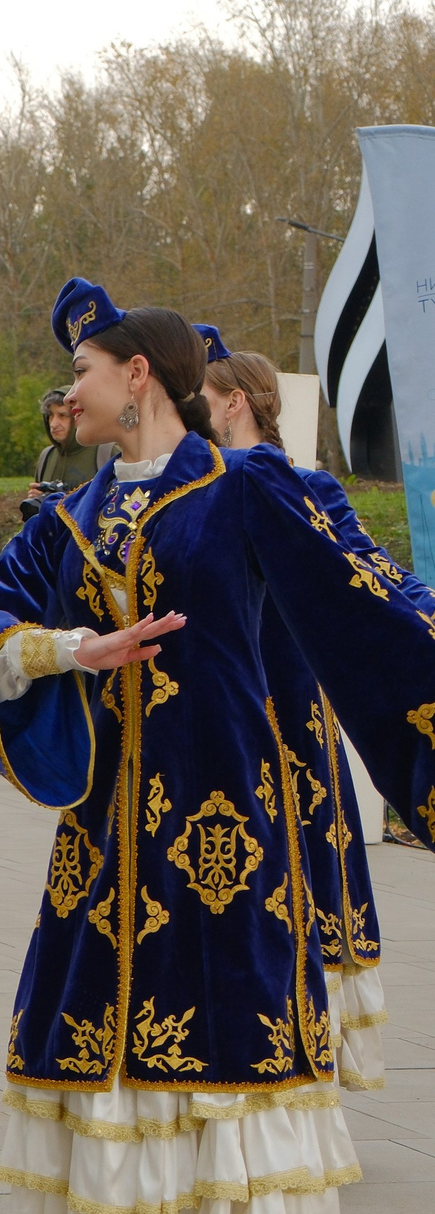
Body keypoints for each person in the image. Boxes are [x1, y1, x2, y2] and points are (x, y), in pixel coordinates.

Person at [0, 279, 435, 1214]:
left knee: (236, 1054)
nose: (68, 391)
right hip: (104, 839)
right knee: (104, 1058)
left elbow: (365, 599)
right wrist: (69, 651)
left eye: (81, 373)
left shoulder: (242, 488)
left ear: (136, 378)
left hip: (224, 821)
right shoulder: (70, 519)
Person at [202, 336, 387, 1094]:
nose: (203, 416)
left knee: (288, 865)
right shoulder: (305, 486)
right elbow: (372, 579)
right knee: (298, 863)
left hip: (268, 702)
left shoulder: (242, 485)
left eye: (209, 402)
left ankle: (285, 1039)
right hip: (282, 702)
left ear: (235, 402)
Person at [28, 386, 106, 496]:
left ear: (79, 415)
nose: (53, 424)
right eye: (50, 415)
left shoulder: (105, 453)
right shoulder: (47, 456)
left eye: (62, 415)